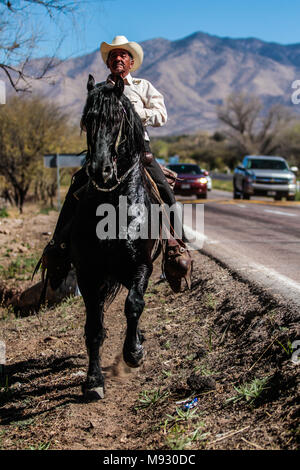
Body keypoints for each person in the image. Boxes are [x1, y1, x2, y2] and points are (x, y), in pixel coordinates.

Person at [40, 35, 192, 292]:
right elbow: (85, 122)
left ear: (131, 63)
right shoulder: (98, 90)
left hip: (138, 153)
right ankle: (59, 248)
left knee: (164, 191)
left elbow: (161, 116)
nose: (118, 59)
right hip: (104, 153)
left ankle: (175, 246)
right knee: (76, 188)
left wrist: (132, 113)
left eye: (123, 56)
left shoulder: (144, 87)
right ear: (108, 63)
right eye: (113, 56)